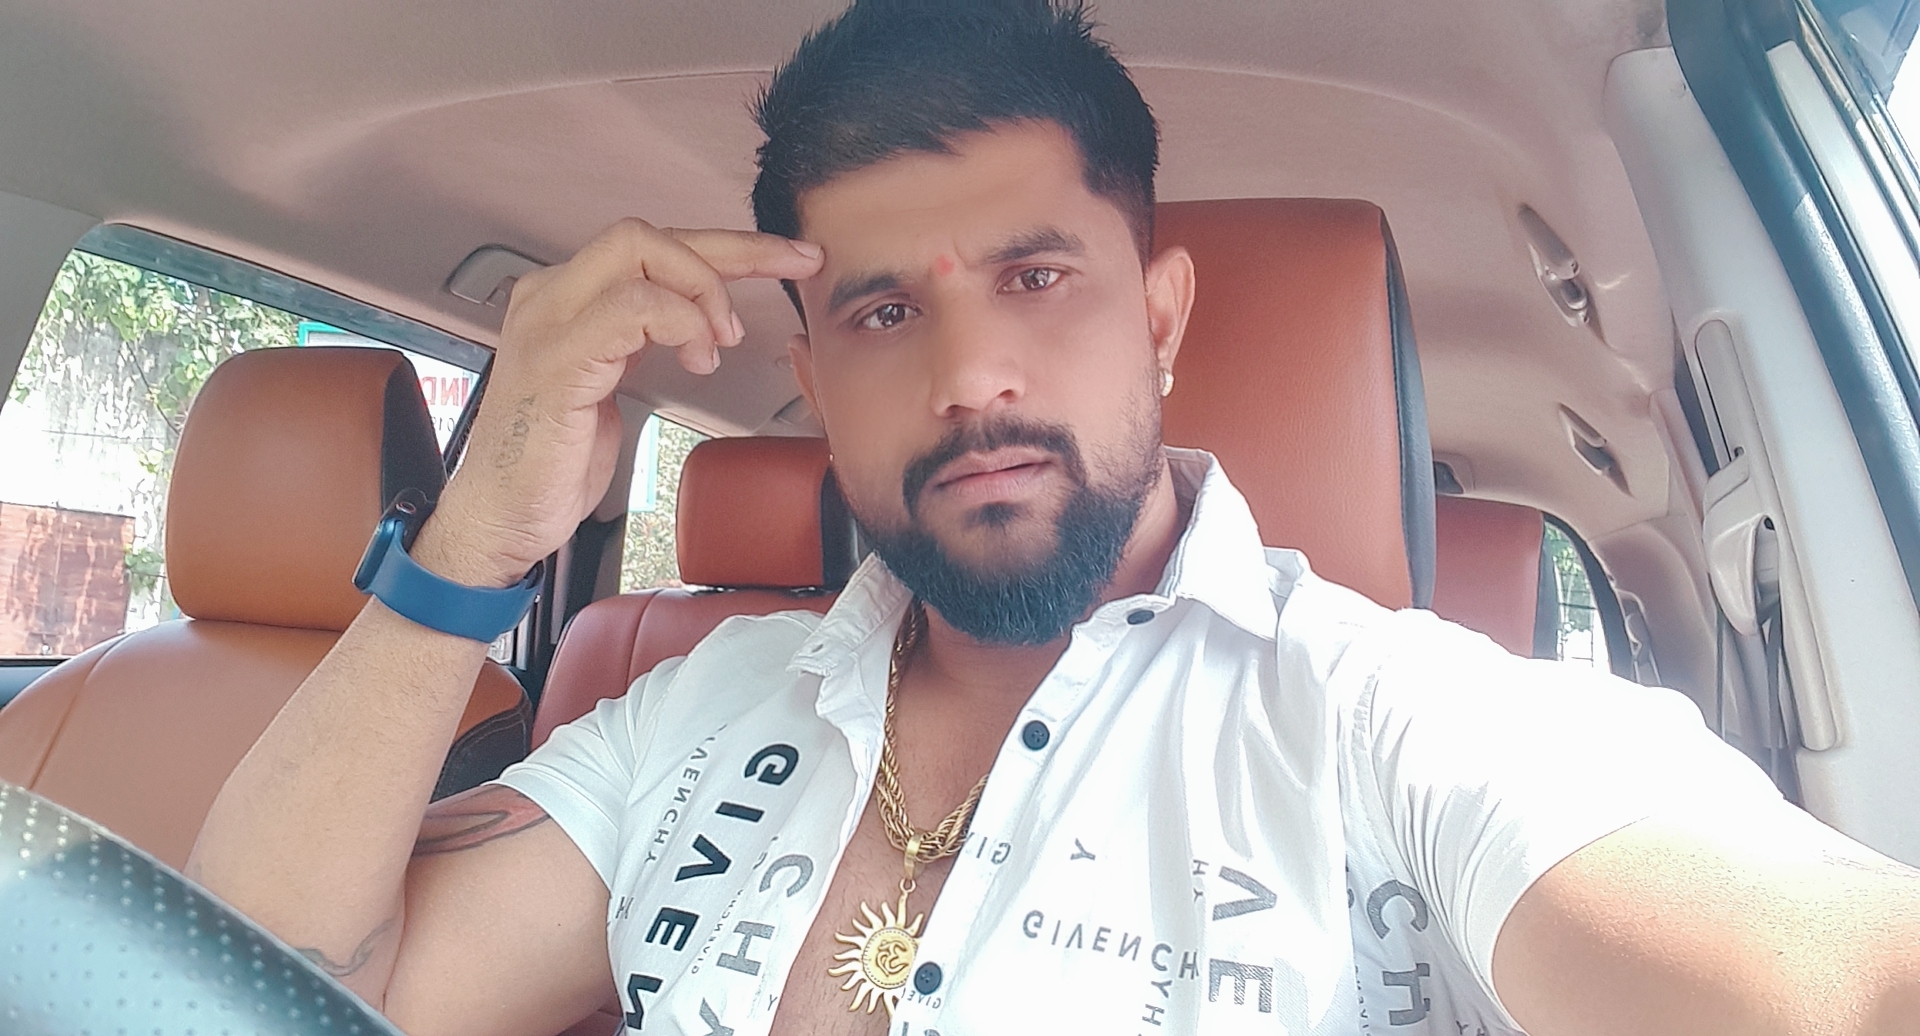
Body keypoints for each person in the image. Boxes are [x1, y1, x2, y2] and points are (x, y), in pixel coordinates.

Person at [188, 0, 1920, 1033]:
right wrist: (472, 543)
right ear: (813, 372)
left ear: (1161, 318)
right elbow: (247, 991)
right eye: (884, 311)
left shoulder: (1397, 723)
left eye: (1037, 277)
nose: (970, 379)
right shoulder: (691, 716)